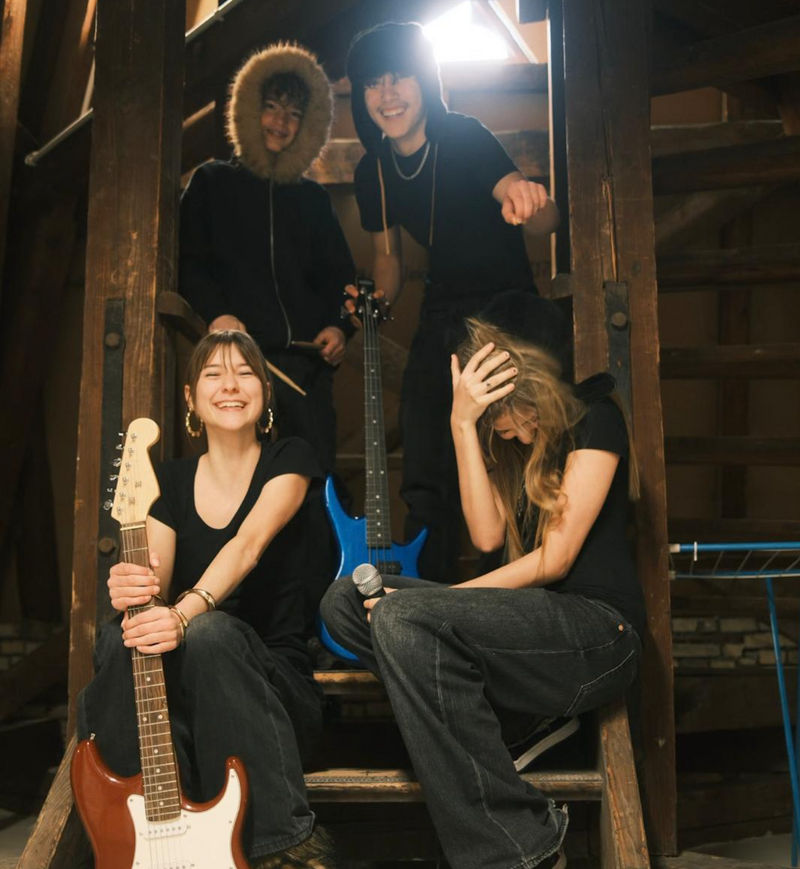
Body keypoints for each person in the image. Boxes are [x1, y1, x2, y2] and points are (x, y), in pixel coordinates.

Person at [320, 292, 645, 869]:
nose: (504, 426)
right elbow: (487, 535)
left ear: (530, 385)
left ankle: (516, 852)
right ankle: (505, 739)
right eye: (490, 413)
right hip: (526, 632)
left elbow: (555, 560)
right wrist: (461, 423)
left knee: (400, 614)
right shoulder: (504, 442)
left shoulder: (598, 419)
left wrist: (432, 606)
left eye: (504, 410)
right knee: (343, 602)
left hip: (598, 633)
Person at [77, 331, 335, 869]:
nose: (231, 385)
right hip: (185, 703)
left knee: (210, 633)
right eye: (214, 374)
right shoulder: (167, 481)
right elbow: (156, 579)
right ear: (191, 399)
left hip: (272, 697)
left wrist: (181, 615)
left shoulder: (291, 458)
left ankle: (281, 846)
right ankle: (135, 834)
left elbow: (248, 545)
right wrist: (132, 589)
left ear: (265, 392)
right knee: (120, 635)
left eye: (245, 372)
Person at [344, 22, 561, 582]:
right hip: (442, 313)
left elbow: (542, 218)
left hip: (507, 308)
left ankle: (523, 593)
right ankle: (428, 598)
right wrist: (373, 299)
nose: (387, 94)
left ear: (425, 80)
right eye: (373, 84)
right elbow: (387, 259)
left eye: (399, 77)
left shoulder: (464, 135)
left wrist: (530, 200)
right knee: (425, 457)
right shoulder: (373, 170)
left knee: (515, 453)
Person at [179, 43, 355, 475]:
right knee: (245, 484)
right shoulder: (211, 182)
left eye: (294, 114)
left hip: (307, 371)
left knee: (313, 483)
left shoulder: (314, 199)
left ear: (308, 125)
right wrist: (218, 314)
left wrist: (340, 326)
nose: (281, 122)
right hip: (237, 365)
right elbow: (187, 262)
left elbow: (342, 279)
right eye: (272, 107)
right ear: (248, 110)